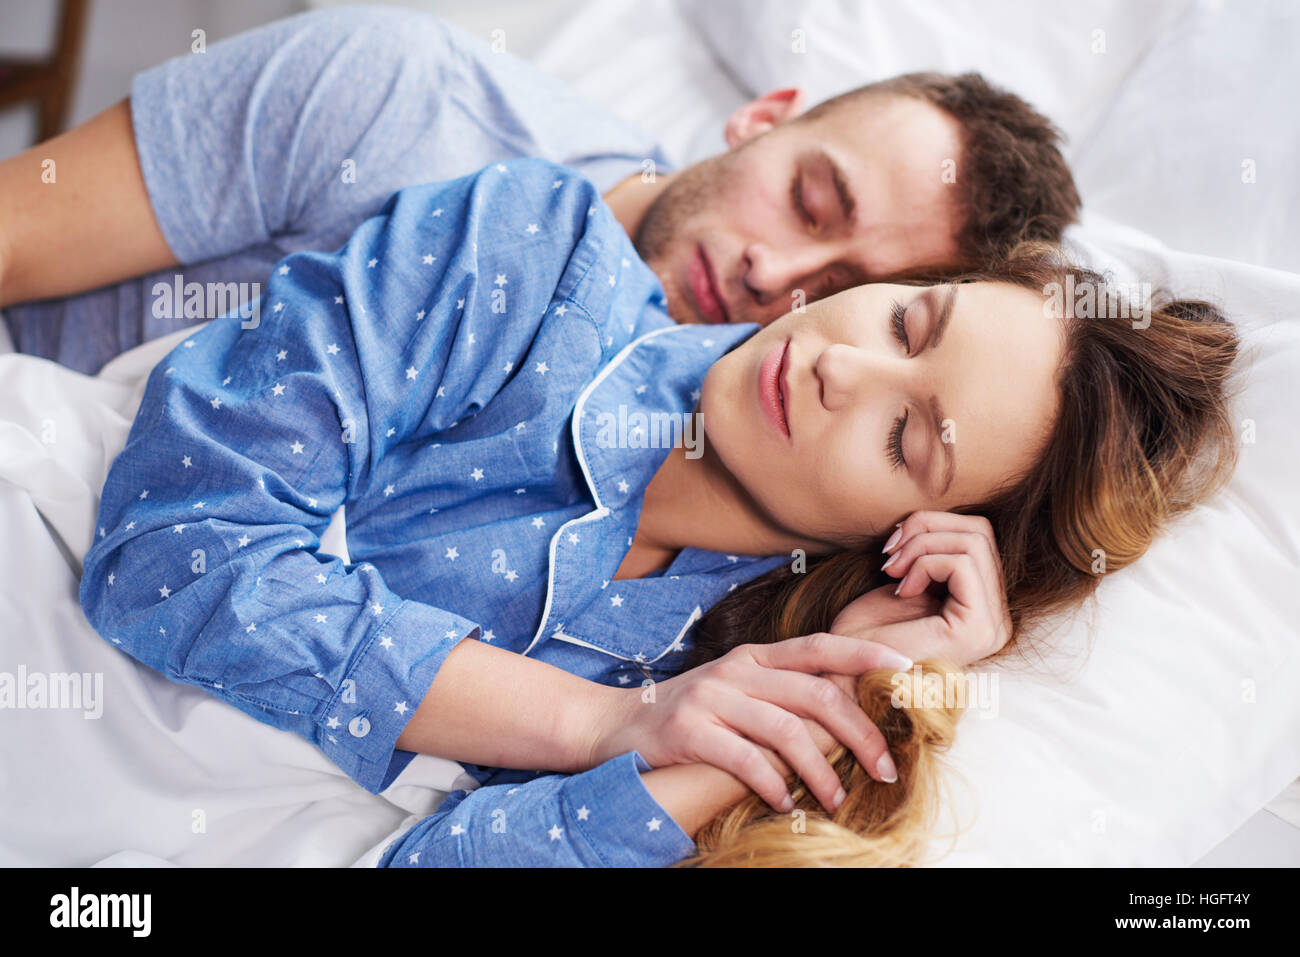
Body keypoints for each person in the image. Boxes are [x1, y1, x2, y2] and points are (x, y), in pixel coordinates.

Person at [80, 158, 1239, 867]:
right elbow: (172, 556)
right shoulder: (533, 258)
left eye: (906, 439)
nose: (842, 370)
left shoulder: (709, 663)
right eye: (907, 326)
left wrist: (847, 681)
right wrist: (594, 727)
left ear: (900, 539)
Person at [0, 4, 1078, 373]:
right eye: (810, 202)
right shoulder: (399, 94)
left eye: (840, 286)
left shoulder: (701, 468)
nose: (773, 275)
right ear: (764, 116)